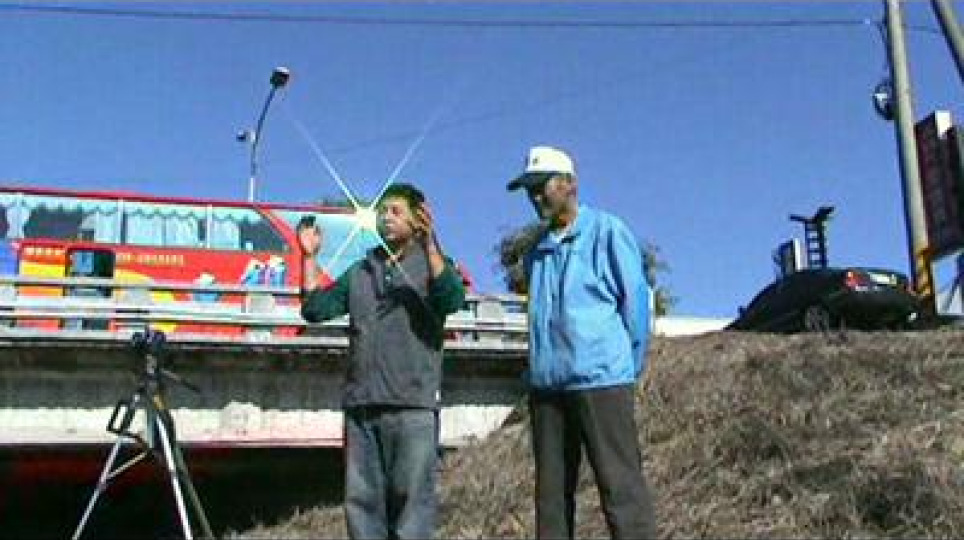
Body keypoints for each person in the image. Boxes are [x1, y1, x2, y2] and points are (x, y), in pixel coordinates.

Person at [299, 183, 466, 540]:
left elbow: (451, 299)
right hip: (362, 407)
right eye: (382, 211)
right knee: (362, 507)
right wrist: (309, 257)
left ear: (418, 219)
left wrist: (431, 245)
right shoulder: (361, 271)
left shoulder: (431, 266)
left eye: (396, 211)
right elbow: (315, 309)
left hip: (412, 406)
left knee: (412, 509)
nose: (386, 218)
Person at [506, 145, 657, 539]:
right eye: (529, 190)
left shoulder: (607, 232)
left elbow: (636, 305)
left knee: (620, 488)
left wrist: (624, 365)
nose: (535, 197)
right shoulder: (537, 253)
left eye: (541, 186)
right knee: (551, 499)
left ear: (569, 184)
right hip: (548, 388)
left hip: (601, 381)